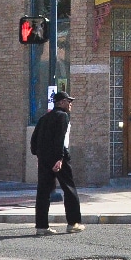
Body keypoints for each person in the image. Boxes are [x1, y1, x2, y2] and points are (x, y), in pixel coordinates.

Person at [30, 91, 83, 235]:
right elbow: (60, 139)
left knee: (43, 192)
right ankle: (73, 223)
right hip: (59, 158)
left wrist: (39, 155)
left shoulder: (43, 118)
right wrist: (59, 159)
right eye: (68, 101)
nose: (70, 104)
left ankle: (41, 227)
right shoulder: (62, 116)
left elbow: (33, 141)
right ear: (60, 103)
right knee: (69, 189)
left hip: (44, 159)